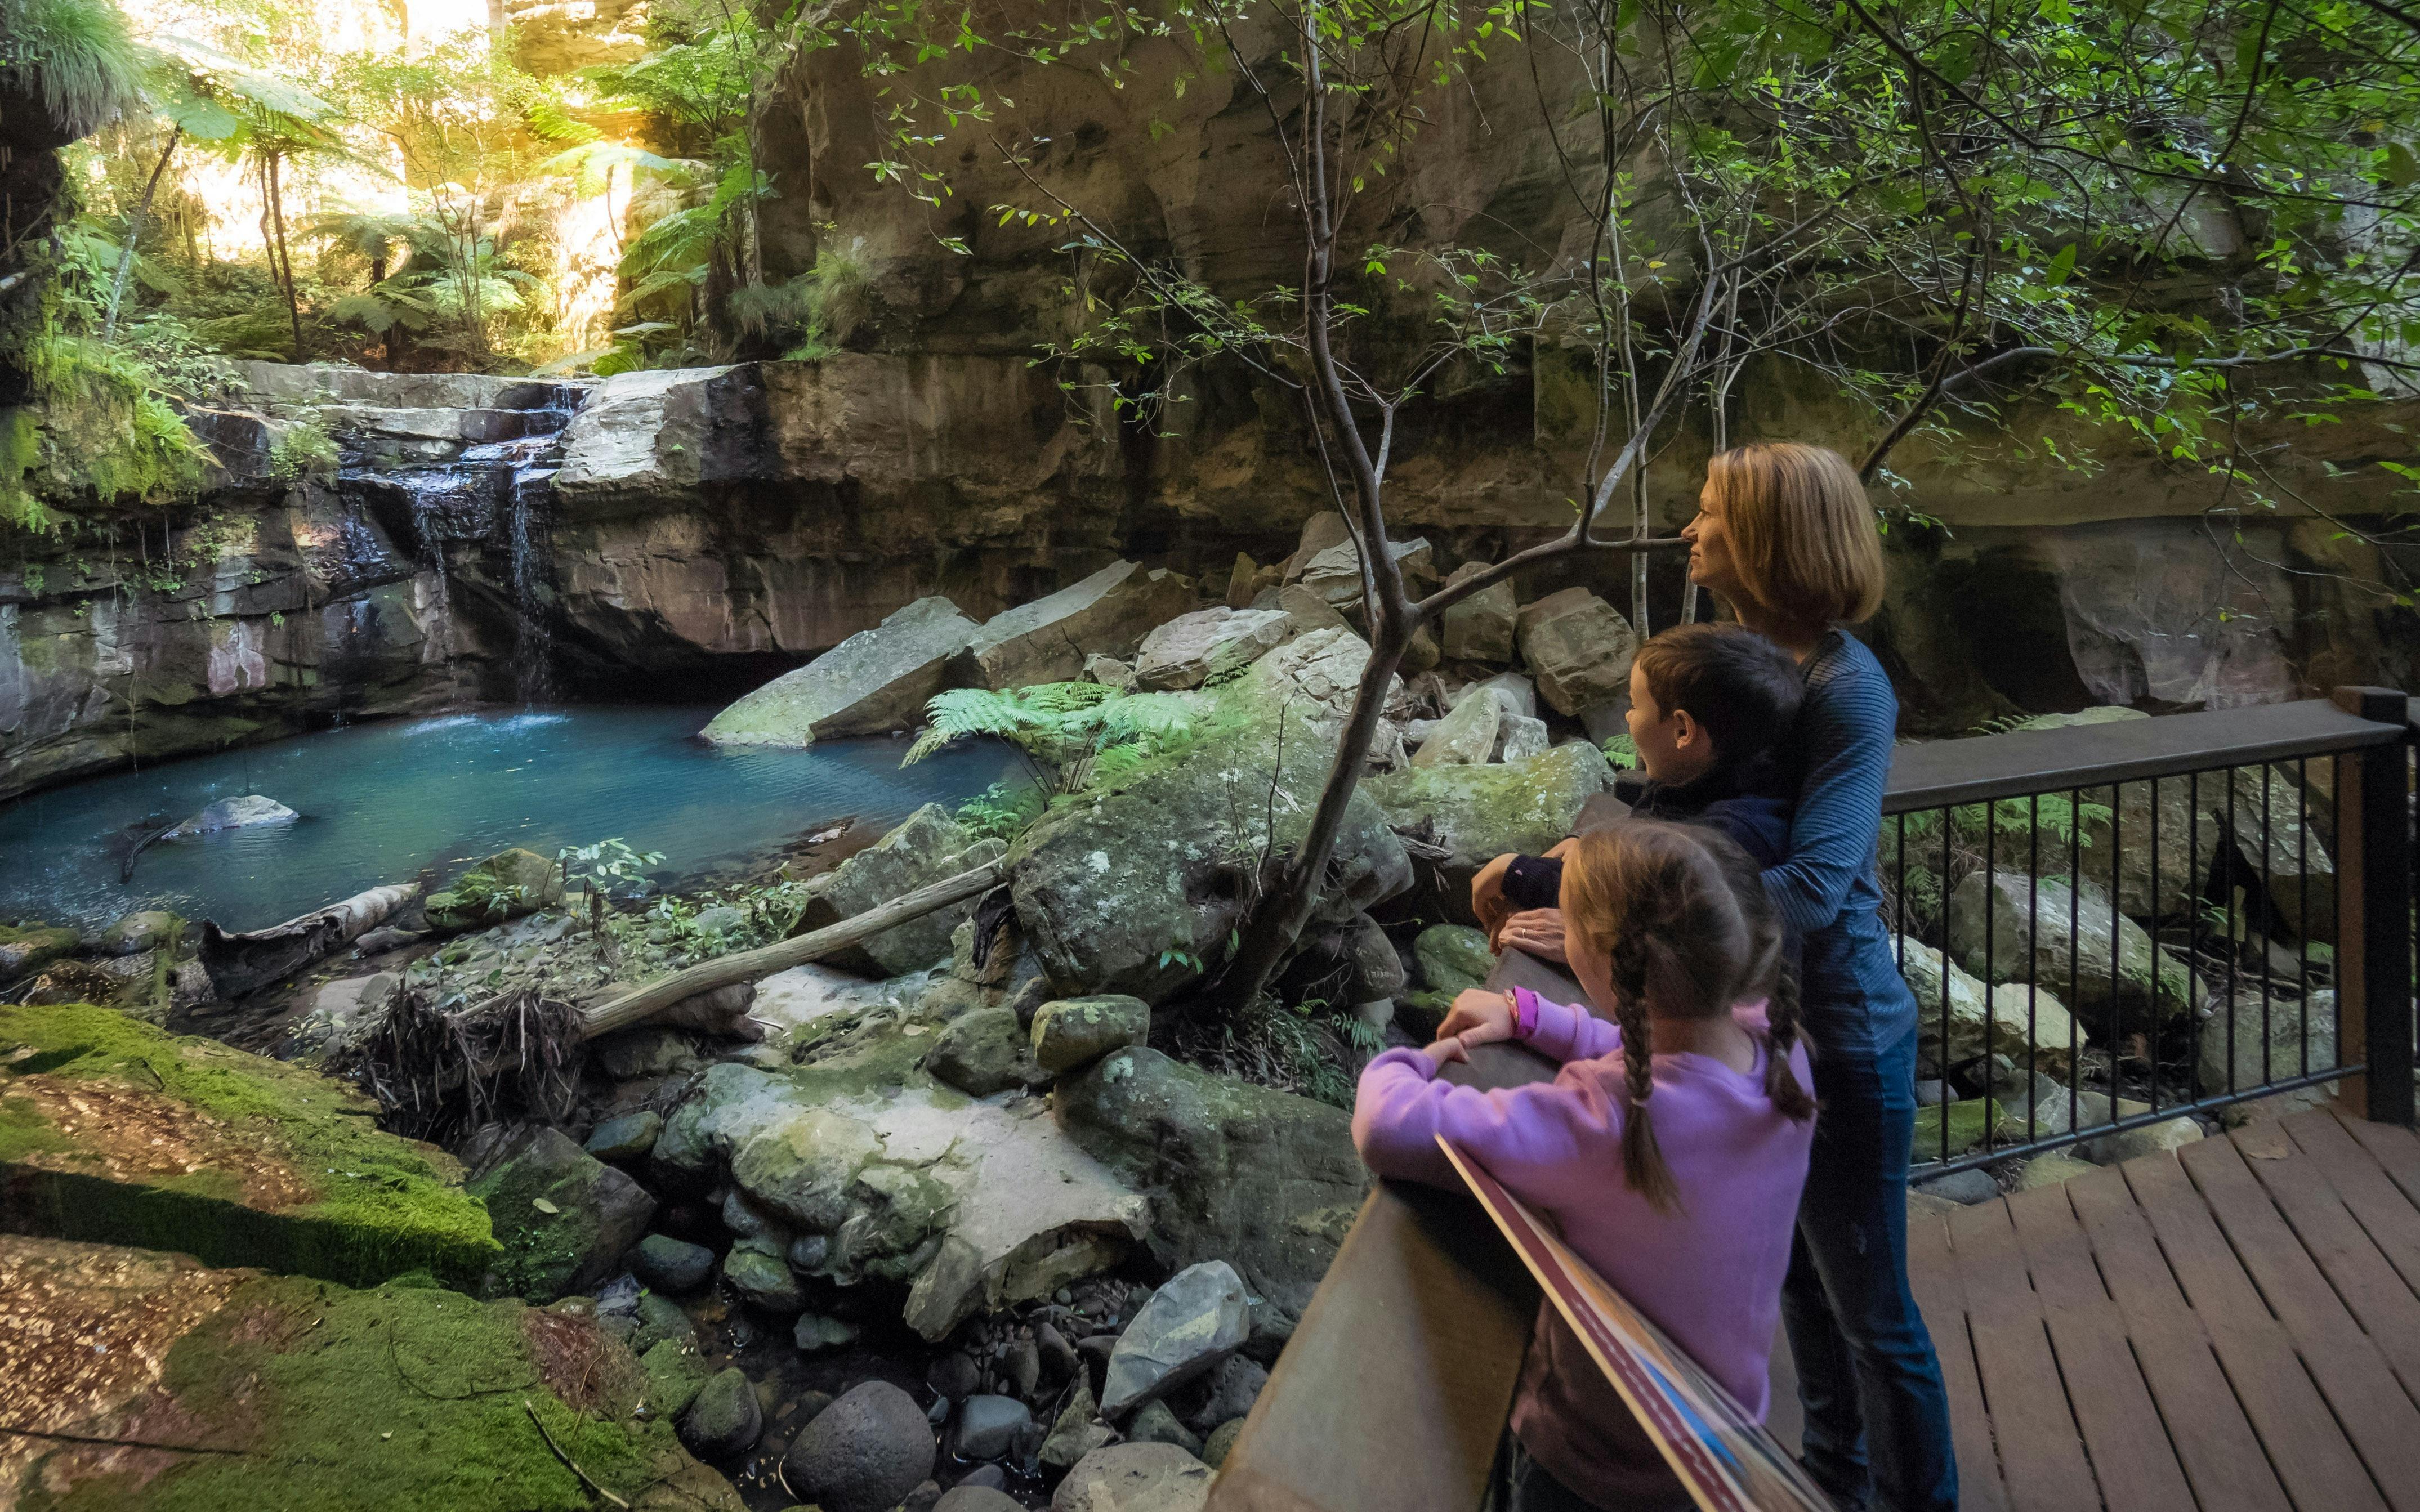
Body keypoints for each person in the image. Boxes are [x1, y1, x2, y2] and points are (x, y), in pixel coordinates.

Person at [1353, 821, 1818, 1512]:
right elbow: (1665, 1048)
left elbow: (1387, 1124)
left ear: (1601, 960)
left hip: (1594, 1464)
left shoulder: (1609, 1118)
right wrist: (1534, 1016)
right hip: (1717, 1442)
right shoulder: (1776, 1047)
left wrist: (1412, 1058)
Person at [1684, 441, 1955, 1512]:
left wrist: (1652, 913)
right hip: (1769, 1020)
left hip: (1843, 1028)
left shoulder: (1849, 690)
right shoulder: (1741, 656)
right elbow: (1698, 812)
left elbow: (1813, 881)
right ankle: (1833, 1482)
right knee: (1797, 1278)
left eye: (1708, 515)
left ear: (1763, 538)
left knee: (1872, 1313)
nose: (1690, 531)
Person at [1472, 620, 1806, 964]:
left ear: (1682, 730)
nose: (1628, 717)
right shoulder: (1702, 776)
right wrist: (1591, 846)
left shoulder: (1723, 838)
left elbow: (1630, 895)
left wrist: (1514, 872)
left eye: (1635, 705)